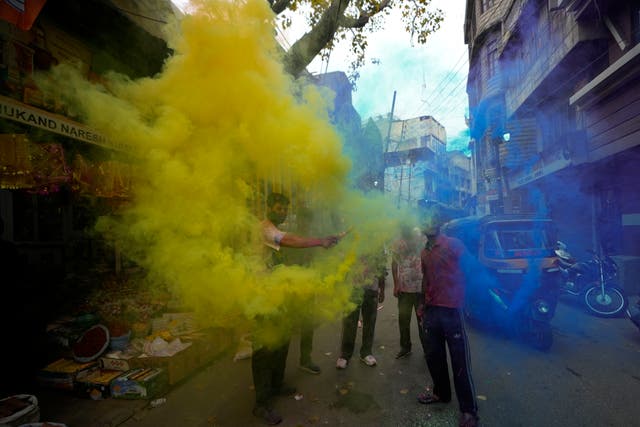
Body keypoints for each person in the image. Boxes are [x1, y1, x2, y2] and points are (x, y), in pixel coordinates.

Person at [252, 192, 340, 425]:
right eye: (278, 208)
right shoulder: (265, 228)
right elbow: (287, 240)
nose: (282, 212)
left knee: (281, 342)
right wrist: (320, 241)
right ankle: (261, 404)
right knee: (264, 348)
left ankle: (276, 385)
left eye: (284, 209)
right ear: (269, 207)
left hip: (278, 295)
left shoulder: (273, 230)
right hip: (262, 298)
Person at [417, 216, 479, 427]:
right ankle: (441, 393)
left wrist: (466, 294)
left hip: (452, 310)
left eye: (431, 218)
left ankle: (469, 411)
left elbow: (472, 269)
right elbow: (425, 278)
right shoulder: (424, 252)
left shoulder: (454, 244)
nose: (429, 222)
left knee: (459, 361)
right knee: (434, 356)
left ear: (438, 224)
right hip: (432, 310)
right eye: (425, 219)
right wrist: (422, 304)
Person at [336, 253, 386, 369]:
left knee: (369, 322)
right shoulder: (352, 242)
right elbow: (343, 265)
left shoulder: (378, 244)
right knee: (349, 322)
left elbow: (382, 268)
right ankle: (345, 354)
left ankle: (366, 353)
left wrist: (382, 289)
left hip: (371, 288)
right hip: (352, 288)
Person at [391, 224, 427, 359]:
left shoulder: (421, 237)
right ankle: (405, 347)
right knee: (403, 320)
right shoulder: (397, 242)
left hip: (420, 288)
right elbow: (394, 263)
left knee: (422, 320)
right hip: (404, 289)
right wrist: (395, 285)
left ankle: (427, 349)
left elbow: (428, 257)